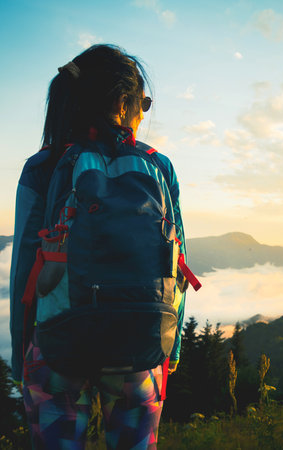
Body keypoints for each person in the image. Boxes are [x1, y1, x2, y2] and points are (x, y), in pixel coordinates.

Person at [10, 44, 186, 449]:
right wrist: (170, 349)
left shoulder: (42, 166)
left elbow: (24, 267)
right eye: (143, 101)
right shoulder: (159, 166)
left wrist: (24, 354)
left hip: (57, 345)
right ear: (123, 102)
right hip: (142, 346)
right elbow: (175, 260)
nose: (144, 112)